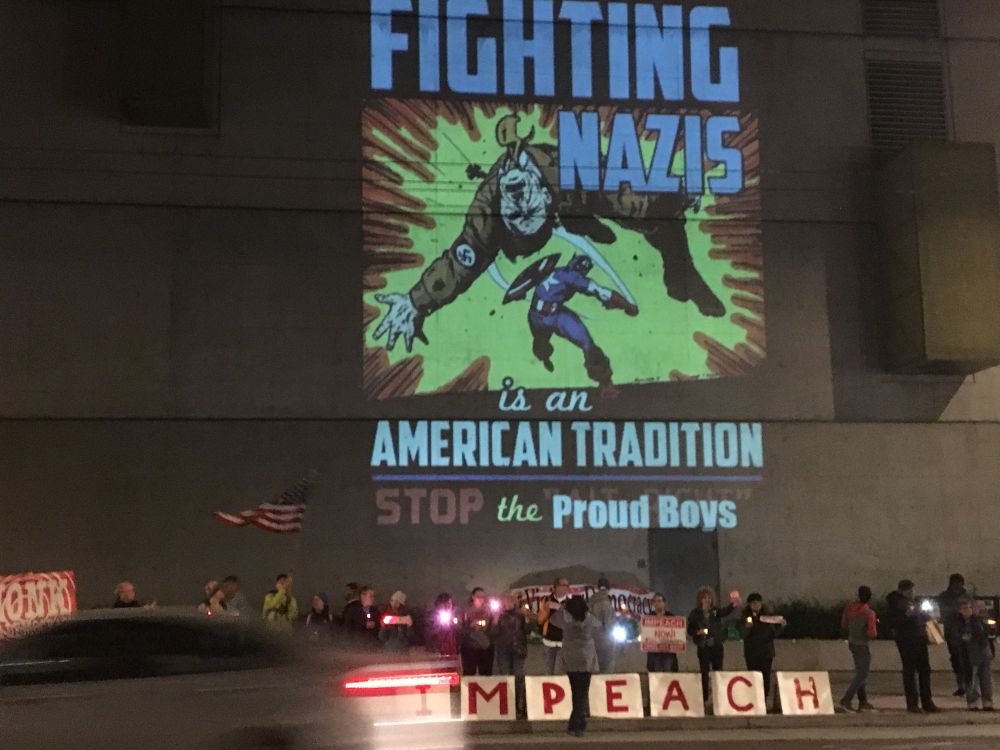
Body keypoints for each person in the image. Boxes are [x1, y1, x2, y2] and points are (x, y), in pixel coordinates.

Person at [549, 596, 601, 737]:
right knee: (582, 693)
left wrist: (561, 608)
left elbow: (553, 620)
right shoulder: (589, 618)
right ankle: (576, 724)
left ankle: (578, 722)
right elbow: (598, 624)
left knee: (576, 691)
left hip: (571, 657)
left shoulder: (565, 620)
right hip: (586, 657)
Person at [886, 579, 938, 713]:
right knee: (909, 672)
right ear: (903, 591)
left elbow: (923, 618)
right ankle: (912, 704)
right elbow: (894, 622)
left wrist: (930, 617)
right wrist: (907, 616)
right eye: (910, 591)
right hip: (907, 641)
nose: (912, 593)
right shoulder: (896, 604)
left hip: (920, 639)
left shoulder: (914, 602)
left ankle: (927, 702)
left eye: (913, 590)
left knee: (925, 670)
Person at [688, 586, 741, 704]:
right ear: (700, 599)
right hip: (703, 647)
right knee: (705, 674)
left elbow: (725, 611)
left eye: (709, 598)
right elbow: (690, 629)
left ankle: (719, 698)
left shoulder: (715, 611)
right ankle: (705, 697)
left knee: (718, 673)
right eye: (705, 598)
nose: (707, 600)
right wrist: (698, 632)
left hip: (716, 646)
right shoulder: (695, 613)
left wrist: (733, 604)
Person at [741, 592, 785, 712]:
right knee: (753, 678)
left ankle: (764, 700)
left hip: (766, 652)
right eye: (753, 603)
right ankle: (753, 701)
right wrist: (747, 627)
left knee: (766, 678)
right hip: (752, 652)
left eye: (758, 603)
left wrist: (781, 626)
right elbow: (742, 634)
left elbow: (774, 633)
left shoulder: (768, 616)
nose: (756, 605)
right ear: (749, 605)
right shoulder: (745, 616)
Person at [492, 593, 532, 718]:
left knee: (518, 676)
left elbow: (528, 631)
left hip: (518, 649)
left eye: (511, 601)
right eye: (506, 601)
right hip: (503, 650)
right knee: (506, 677)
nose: (508, 603)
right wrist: (494, 620)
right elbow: (493, 633)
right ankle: (508, 706)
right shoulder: (498, 615)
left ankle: (518, 705)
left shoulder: (520, 614)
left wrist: (527, 619)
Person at [949, 597, 994, 711]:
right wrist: (962, 638)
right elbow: (954, 637)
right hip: (968, 655)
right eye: (965, 608)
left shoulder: (978, 620)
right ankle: (973, 702)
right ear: (960, 610)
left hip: (983, 653)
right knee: (971, 680)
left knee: (986, 679)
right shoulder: (957, 623)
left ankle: (987, 702)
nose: (968, 610)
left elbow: (987, 633)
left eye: (969, 607)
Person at [839, 585, 878, 712]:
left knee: (859, 672)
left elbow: (844, 625)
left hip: (852, 642)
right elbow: (872, 633)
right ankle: (846, 699)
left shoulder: (849, 610)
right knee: (862, 674)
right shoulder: (869, 613)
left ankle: (863, 701)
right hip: (862, 644)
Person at [938, 573, 969, 696]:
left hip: (965, 632)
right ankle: (961, 685)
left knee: (966, 660)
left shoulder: (966, 597)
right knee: (956, 659)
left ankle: (966, 685)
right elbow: (943, 612)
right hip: (952, 633)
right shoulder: (945, 597)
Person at [537, 577, 570, 675]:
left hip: (563, 642)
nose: (566, 588)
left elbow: (572, 620)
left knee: (559, 672)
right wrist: (546, 609)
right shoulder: (545, 600)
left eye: (567, 586)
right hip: (548, 641)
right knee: (549, 671)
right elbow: (540, 620)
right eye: (564, 585)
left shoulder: (570, 602)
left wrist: (560, 608)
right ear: (556, 587)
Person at [461, 588, 496, 675]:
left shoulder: (490, 611)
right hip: (470, 647)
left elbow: (493, 630)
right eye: (478, 596)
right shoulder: (465, 611)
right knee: (469, 673)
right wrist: (470, 626)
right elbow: (460, 629)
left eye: (482, 597)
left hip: (485, 648)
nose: (480, 599)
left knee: (486, 674)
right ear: (473, 597)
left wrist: (495, 621)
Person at [646, 593, 680, 673]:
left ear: (664, 603)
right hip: (654, 654)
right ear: (653, 603)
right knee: (656, 675)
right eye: (655, 601)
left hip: (668, 653)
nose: (657, 603)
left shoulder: (671, 617)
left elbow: (677, 634)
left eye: (660, 601)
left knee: (668, 673)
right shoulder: (649, 617)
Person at [589, 577, 616, 673]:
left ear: (597, 587)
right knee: (606, 669)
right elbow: (607, 622)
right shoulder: (605, 601)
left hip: (592, 639)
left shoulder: (591, 600)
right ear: (609, 588)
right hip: (605, 639)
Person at [426, 592, 461, 658]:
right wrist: (440, 625)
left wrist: (454, 623)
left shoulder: (455, 615)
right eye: (446, 604)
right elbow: (430, 633)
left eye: (450, 603)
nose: (448, 606)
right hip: (438, 651)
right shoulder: (433, 616)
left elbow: (460, 631)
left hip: (454, 650)